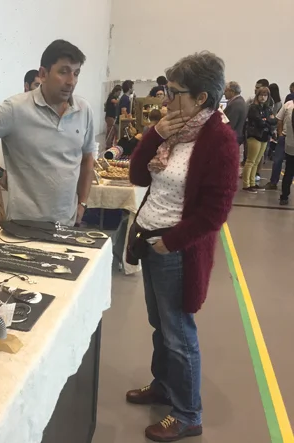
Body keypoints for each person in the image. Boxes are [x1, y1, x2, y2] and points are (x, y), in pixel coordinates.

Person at [126, 51, 239, 442]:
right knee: (159, 325)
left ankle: (188, 414)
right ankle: (163, 385)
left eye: (174, 92)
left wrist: (169, 243)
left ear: (201, 98)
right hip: (149, 240)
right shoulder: (173, 130)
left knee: (178, 333)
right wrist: (155, 133)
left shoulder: (219, 140)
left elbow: (215, 212)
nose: (166, 98)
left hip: (175, 251)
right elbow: (138, 175)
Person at [0, 39, 96, 226]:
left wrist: (82, 203)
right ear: (43, 74)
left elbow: (87, 159)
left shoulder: (83, 110)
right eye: (63, 72)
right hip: (25, 225)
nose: (71, 82)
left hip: (67, 223)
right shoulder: (16, 109)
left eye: (76, 73)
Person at [242, 87, 277, 192]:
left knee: (257, 161)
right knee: (250, 161)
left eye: (265, 95)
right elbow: (259, 122)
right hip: (255, 136)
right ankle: (246, 185)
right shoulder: (253, 108)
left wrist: (266, 120)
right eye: (261, 95)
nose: (263, 97)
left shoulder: (267, 108)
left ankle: (253, 183)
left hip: (265, 137)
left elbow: (274, 121)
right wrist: (267, 120)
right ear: (257, 96)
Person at [278, 100, 294, 204]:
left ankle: (284, 196)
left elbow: (279, 119)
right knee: (288, 172)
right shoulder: (289, 105)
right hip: (291, 145)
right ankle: (284, 195)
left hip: (290, 145)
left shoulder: (289, 106)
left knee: (288, 171)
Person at [223, 81, 247, 145]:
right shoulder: (240, 101)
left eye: (225, 91)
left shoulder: (235, 104)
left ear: (232, 92)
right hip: (237, 136)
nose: (224, 93)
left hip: (232, 138)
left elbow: (230, 124)